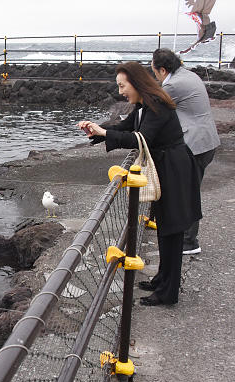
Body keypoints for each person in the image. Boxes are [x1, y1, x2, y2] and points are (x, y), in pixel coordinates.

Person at [78, 62, 202, 306]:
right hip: (165, 166)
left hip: (174, 168)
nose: (121, 91)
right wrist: (97, 131)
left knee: (172, 229)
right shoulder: (144, 105)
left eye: (123, 86)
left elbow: (140, 138)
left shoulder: (157, 105)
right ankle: (162, 280)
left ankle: (168, 293)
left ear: (136, 83)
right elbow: (125, 128)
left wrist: (105, 134)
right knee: (165, 226)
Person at [152, 48, 220, 255]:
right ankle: (183, 236)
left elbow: (152, 106)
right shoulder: (189, 75)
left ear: (162, 70)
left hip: (196, 144)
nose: (153, 73)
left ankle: (189, 242)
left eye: (154, 69)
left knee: (187, 193)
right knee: (188, 190)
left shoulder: (172, 85)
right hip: (206, 141)